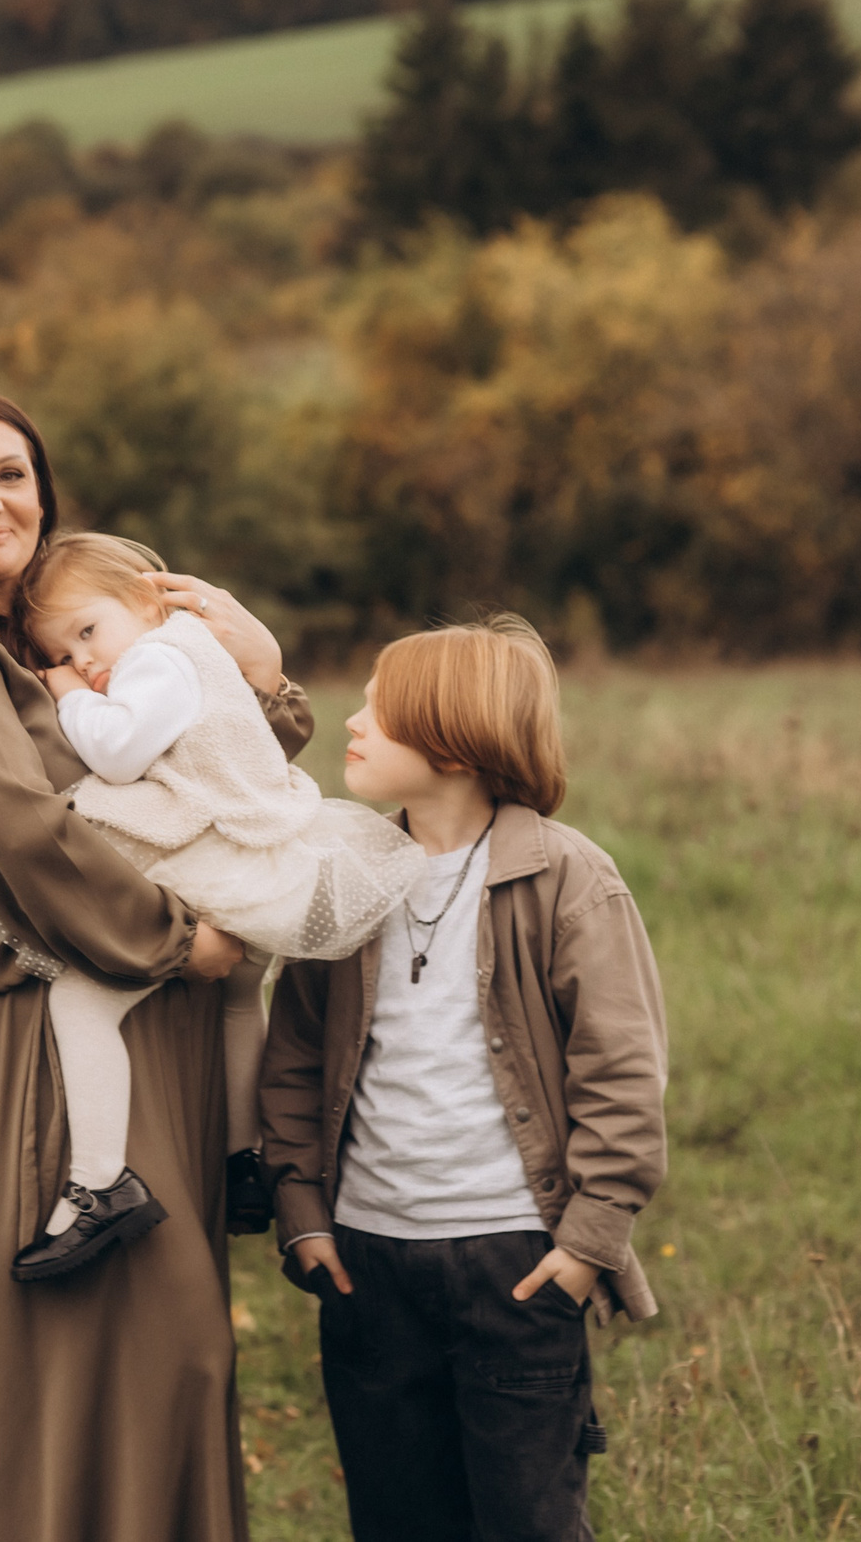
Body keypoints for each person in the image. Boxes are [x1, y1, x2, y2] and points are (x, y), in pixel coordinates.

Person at [0, 384, 308, 1542]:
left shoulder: (63, 637)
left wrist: (260, 675)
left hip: (130, 998)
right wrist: (179, 940)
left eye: (8, 473)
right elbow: (16, 829)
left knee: (172, 1348)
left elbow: (200, 770)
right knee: (107, 1339)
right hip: (28, 1002)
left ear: (44, 491)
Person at [259, 616, 670, 1542]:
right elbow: (291, 1056)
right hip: (367, 1263)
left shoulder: (566, 878)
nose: (353, 719)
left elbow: (622, 1069)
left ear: (454, 739)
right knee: (398, 1515)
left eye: (380, 706)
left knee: (526, 1517)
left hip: (516, 1262)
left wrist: (588, 1239)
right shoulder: (347, 876)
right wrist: (303, 1210)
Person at [15, 532, 420, 1279]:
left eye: (87, 631)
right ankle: (244, 1156)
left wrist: (66, 693)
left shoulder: (161, 656)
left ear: (146, 597)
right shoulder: (185, 652)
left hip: (224, 857)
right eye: (67, 653)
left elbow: (118, 752)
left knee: (79, 999)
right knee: (241, 997)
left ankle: (100, 1182)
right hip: (257, 853)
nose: (85, 660)